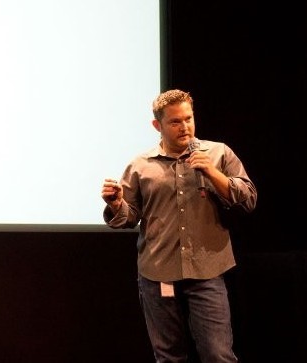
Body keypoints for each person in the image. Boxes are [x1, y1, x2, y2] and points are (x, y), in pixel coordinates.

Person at [101, 89, 257, 363]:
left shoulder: (218, 153)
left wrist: (213, 173)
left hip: (208, 271)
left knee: (218, 355)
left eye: (188, 118)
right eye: (175, 121)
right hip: (158, 272)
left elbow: (248, 199)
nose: (184, 127)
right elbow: (129, 217)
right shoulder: (141, 165)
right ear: (157, 125)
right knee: (169, 357)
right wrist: (115, 204)